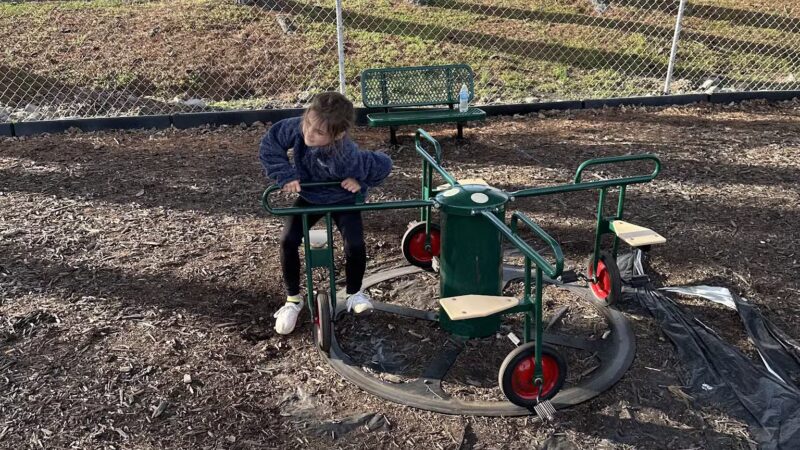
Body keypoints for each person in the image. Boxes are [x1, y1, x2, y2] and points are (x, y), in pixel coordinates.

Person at [259, 92, 393, 335]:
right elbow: (271, 143)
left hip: (342, 199)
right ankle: (293, 300)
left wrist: (360, 181)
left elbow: (383, 163)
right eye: (308, 123)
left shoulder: (346, 153)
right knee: (287, 240)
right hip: (310, 197)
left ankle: (354, 293)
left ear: (337, 135)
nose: (309, 133)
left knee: (354, 243)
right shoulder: (299, 128)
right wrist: (285, 174)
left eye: (319, 132)